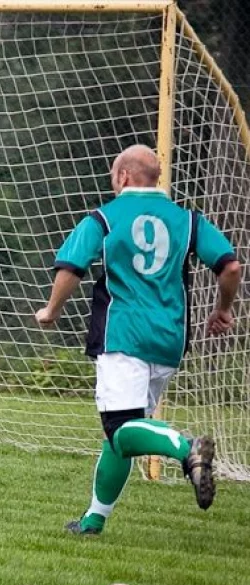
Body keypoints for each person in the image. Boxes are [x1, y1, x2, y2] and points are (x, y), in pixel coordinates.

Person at [35, 144, 241, 535]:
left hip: (122, 334)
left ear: (123, 176)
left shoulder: (105, 217)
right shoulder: (187, 220)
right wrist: (223, 309)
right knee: (122, 435)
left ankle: (187, 448)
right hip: (169, 340)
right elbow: (230, 266)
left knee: (120, 429)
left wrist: (51, 310)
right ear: (156, 178)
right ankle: (93, 520)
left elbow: (71, 267)